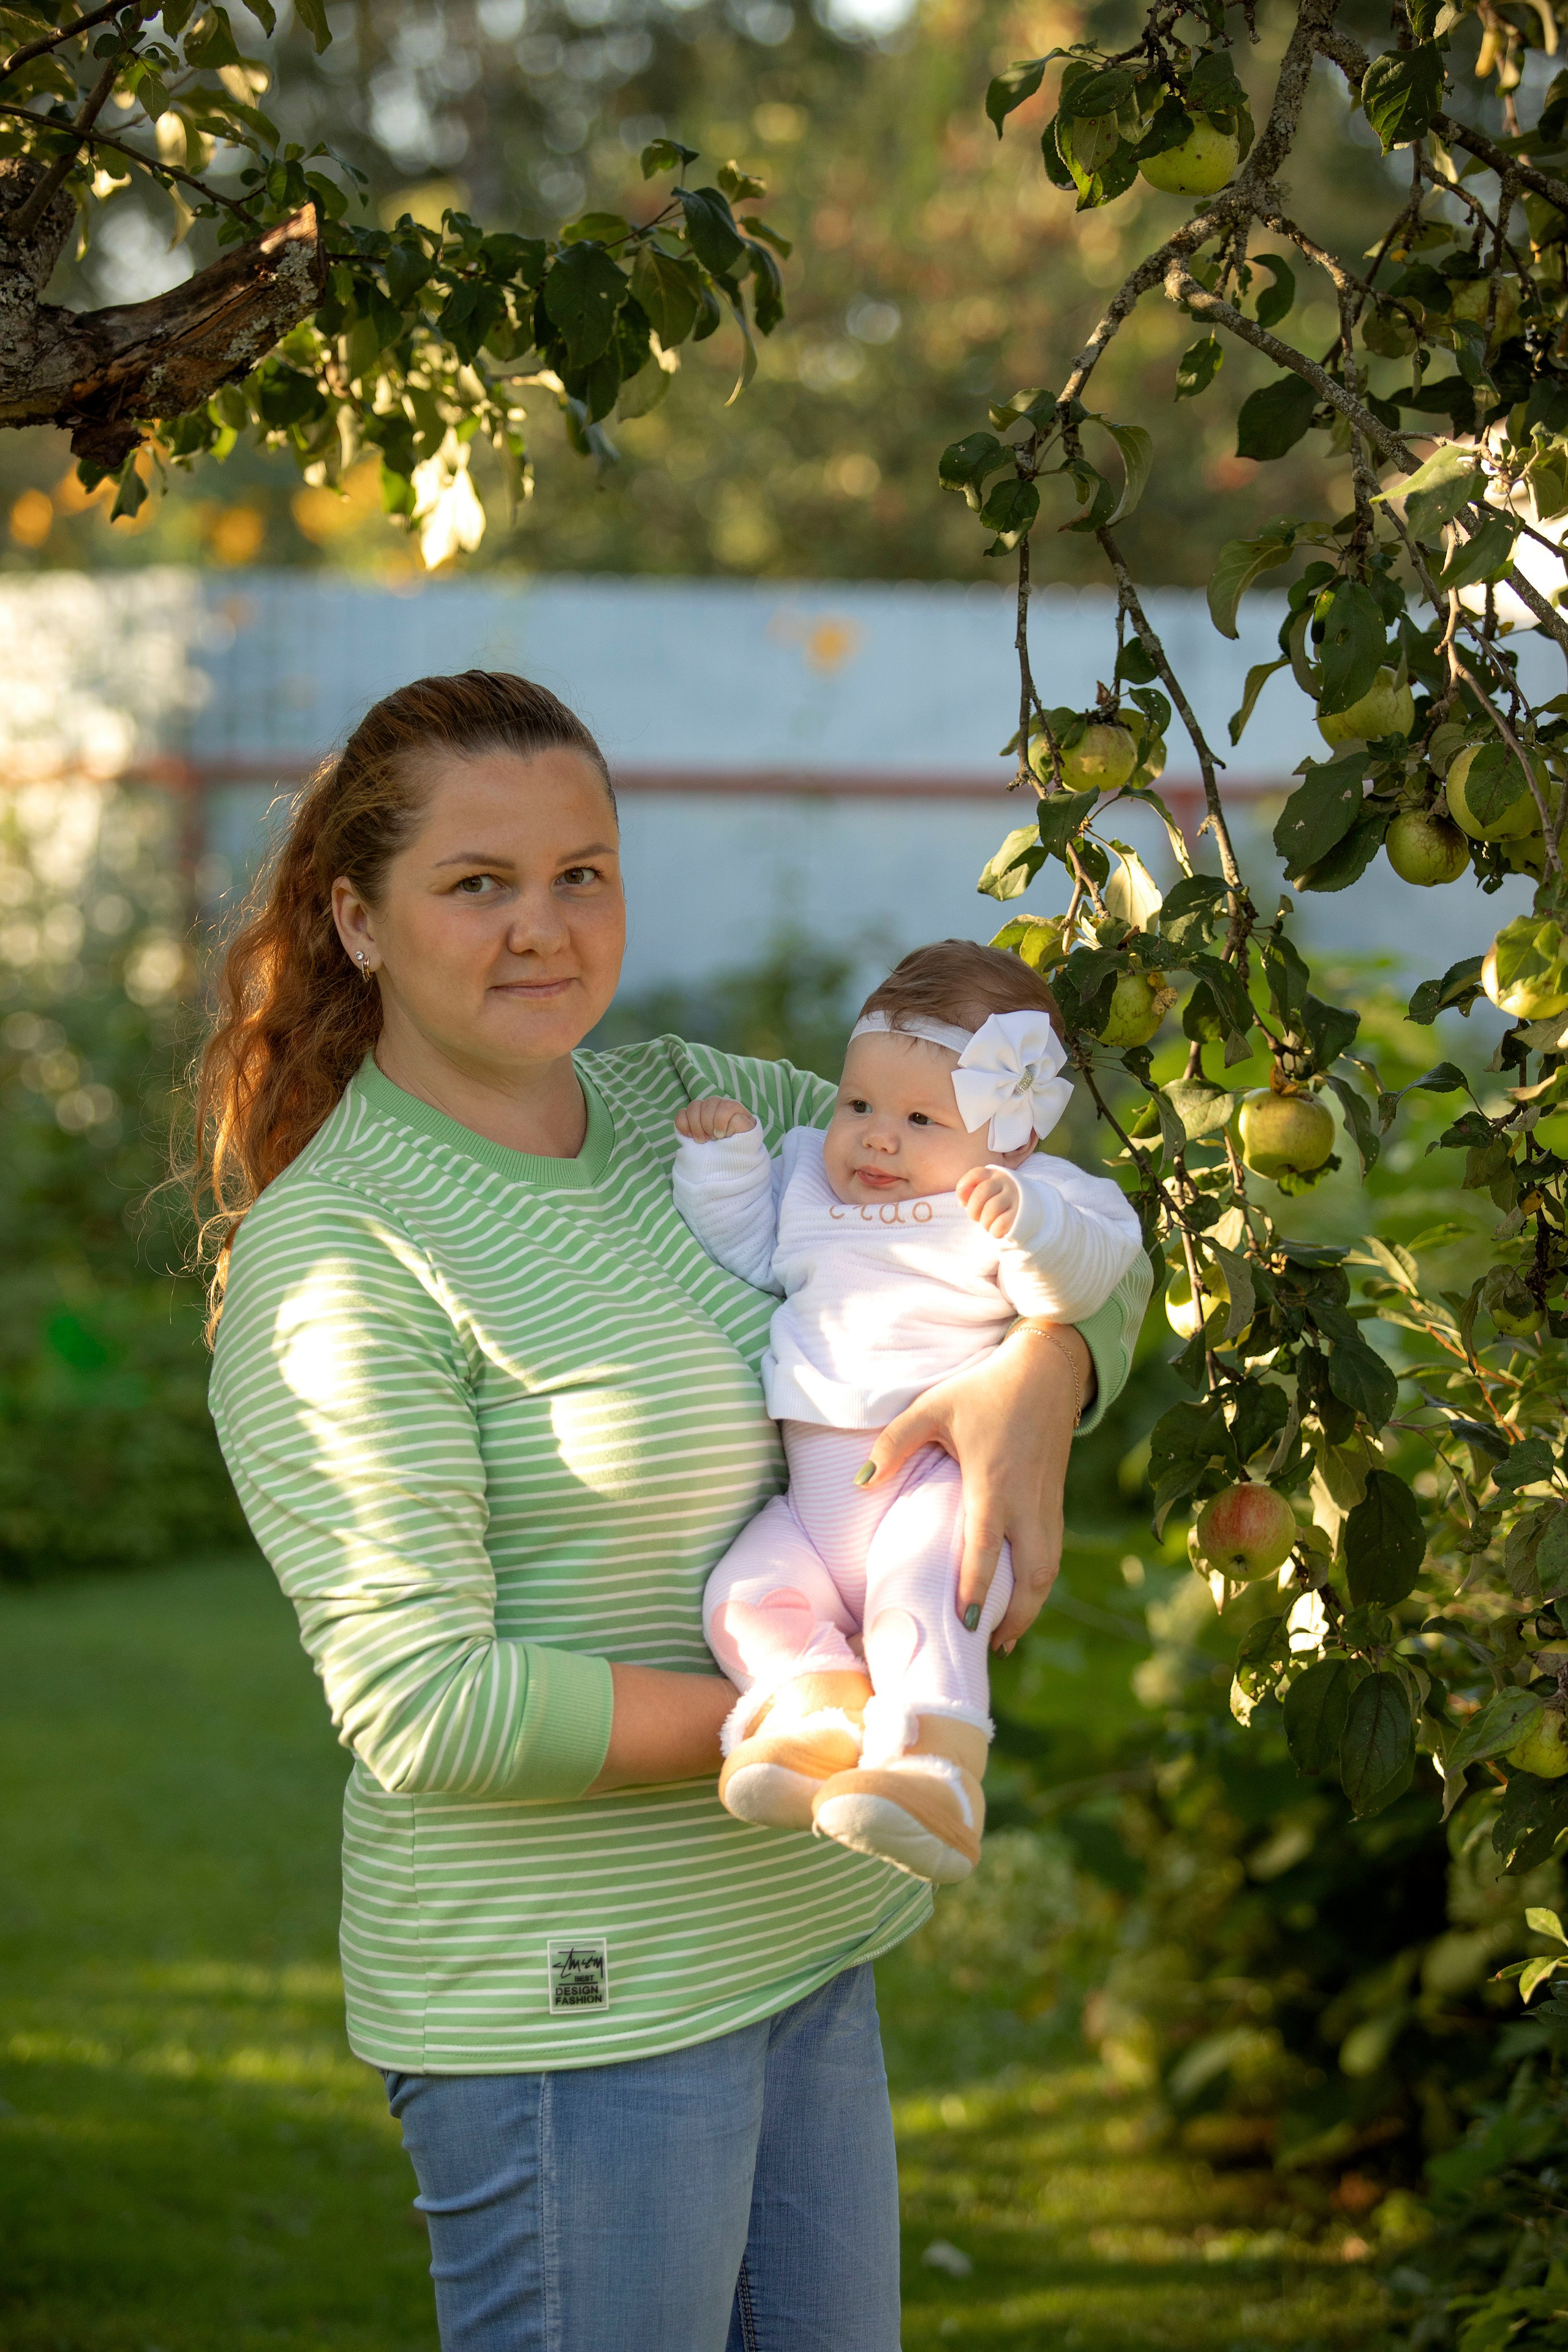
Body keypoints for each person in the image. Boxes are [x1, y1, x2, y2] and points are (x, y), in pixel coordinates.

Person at [192, 669, 1150, 2352]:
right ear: (356, 919)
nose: (542, 929)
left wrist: (1039, 1385)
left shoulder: (712, 1114)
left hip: (799, 1937)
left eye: (584, 873)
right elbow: (427, 1705)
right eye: (476, 884)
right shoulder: (341, 1257)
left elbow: (1062, 1247)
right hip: (574, 2003)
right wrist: (827, 1717)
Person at [671, 942, 1143, 1883]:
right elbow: (749, 1243)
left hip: (937, 1490)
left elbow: (1096, 1276)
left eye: (921, 1117)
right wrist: (723, 1162)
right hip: (811, 1507)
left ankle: (935, 1772)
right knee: (745, 1597)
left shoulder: (1028, 1198)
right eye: (859, 1106)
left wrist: (1030, 1227)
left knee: (920, 1605)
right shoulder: (808, 1175)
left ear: (1011, 1136)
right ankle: (817, 1719)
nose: (876, 1137)